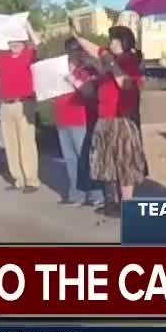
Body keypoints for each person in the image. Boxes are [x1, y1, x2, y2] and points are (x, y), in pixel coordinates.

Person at [74, 25, 146, 217]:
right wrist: (78, 36)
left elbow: (126, 84)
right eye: (111, 39)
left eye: (115, 40)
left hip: (121, 120)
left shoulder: (129, 61)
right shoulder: (110, 60)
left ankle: (127, 204)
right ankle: (114, 202)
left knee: (125, 164)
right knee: (108, 164)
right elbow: (94, 49)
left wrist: (112, 64)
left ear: (125, 42)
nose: (111, 43)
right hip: (105, 119)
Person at [0, 21, 43, 192]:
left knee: (26, 143)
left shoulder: (29, 55)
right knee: (10, 143)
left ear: (23, 43)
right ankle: (18, 179)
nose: (15, 45)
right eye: (12, 43)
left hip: (24, 103)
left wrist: (28, 26)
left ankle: (31, 180)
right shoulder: (1, 58)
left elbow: (38, 44)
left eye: (18, 42)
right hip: (5, 105)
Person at [54, 38, 106, 207]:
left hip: (81, 118)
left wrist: (74, 81)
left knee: (86, 157)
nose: (74, 53)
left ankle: (96, 194)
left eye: (77, 50)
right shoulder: (58, 70)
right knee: (70, 159)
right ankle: (77, 195)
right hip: (62, 118)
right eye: (70, 50)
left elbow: (90, 92)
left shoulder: (87, 69)